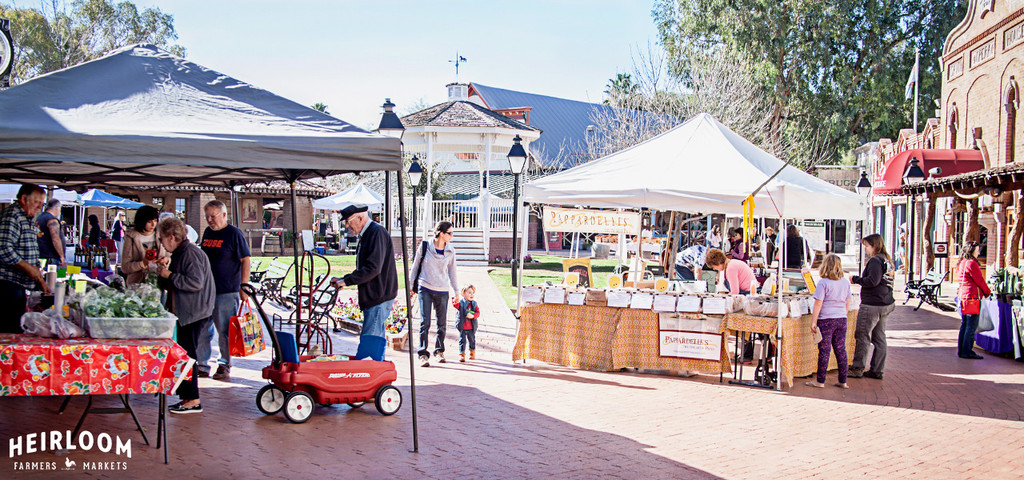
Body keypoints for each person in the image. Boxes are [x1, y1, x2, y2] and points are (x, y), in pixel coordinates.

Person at [155, 217, 215, 414]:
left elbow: (195, 283)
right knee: (185, 355)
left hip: (194, 312)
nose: (161, 243)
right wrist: (166, 272)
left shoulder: (190, 253)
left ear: (172, 237)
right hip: (188, 311)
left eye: (162, 239)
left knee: (188, 357)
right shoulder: (182, 253)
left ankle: (192, 400)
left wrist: (169, 276)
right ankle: (188, 397)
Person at [329, 205, 398, 362]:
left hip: (378, 296)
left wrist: (346, 281)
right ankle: (377, 377)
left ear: (360, 218)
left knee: (369, 344)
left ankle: (369, 379)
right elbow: (366, 268)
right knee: (374, 341)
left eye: (348, 221)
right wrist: (343, 279)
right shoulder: (368, 234)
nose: (347, 226)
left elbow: (373, 268)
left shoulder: (376, 232)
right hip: (375, 296)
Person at [197, 200, 251, 381]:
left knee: (225, 331)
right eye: (207, 217)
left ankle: (224, 364)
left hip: (226, 290)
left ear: (224, 215)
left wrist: (244, 285)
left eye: (213, 216)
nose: (210, 220)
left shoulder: (234, 234)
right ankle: (202, 364)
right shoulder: (207, 232)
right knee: (203, 329)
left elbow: (245, 260)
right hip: (205, 290)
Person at [0, 185, 50, 333]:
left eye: (42, 203)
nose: (40, 207)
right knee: (8, 331)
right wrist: (29, 268)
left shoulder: (25, 217)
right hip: (7, 285)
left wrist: (39, 279)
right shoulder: (13, 216)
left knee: (16, 327)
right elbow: (3, 248)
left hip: (17, 285)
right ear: (23, 198)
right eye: (37, 202)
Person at [409, 221, 460, 367]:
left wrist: (456, 291)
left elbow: (452, 272)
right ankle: (423, 354)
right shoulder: (425, 246)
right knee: (425, 322)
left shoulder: (451, 250)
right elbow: (415, 266)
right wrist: (410, 285)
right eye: (449, 233)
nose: (451, 236)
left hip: (442, 290)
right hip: (425, 287)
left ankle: (439, 351)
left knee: (441, 324)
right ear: (441, 234)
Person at [848, 233, 895, 380]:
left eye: (867, 246)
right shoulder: (887, 260)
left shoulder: (875, 261)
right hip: (886, 302)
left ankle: (857, 368)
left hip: (873, 304)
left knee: (863, 335)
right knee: (879, 337)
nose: (866, 250)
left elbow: (873, 281)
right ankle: (877, 369)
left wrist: (856, 279)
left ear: (874, 246)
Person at [806, 254, 853, 389]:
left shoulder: (823, 283)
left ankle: (820, 381)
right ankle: (843, 381)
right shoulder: (845, 282)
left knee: (824, 351)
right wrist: (843, 314)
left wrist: (813, 321)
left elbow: (818, 303)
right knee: (841, 350)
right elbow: (847, 301)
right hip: (841, 319)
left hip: (826, 319)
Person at [956, 241, 990, 360]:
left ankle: (962, 350)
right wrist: (987, 292)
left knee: (965, 324)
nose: (979, 252)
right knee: (971, 325)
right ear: (971, 250)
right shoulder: (971, 263)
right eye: (977, 250)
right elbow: (979, 280)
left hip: (964, 296)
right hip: (971, 297)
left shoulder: (963, 263)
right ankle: (967, 351)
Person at [120, 205, 170, 285]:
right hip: (137, 285)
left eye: (155, 221)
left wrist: (166, 260)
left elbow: (170, 257)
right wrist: (142, 263)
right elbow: (125, 267)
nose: (153, 225)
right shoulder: (131, 237)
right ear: (141, 221)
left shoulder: (161, 235)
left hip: (160, 283)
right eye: (149, 222)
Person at [36, 198, 66, 268]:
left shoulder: (39, 217)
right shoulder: (52, 219)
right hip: (51, 257)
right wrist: (61, 256)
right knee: (51, 278)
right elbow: (55, 239)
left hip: (41, 255)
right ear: (57, 208)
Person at [455, 284, 480, 363]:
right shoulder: (461, 303)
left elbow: (478, 312)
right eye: (469, 293)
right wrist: (455, 298)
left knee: (472, 340)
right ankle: (462, 354)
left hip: (471, 327)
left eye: (472, 293)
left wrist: (473, 316)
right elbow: (455, 304)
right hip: (462, 326)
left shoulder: (474, 304)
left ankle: (472, 352)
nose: (471, 295)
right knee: (462, 341)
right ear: (463, 293)